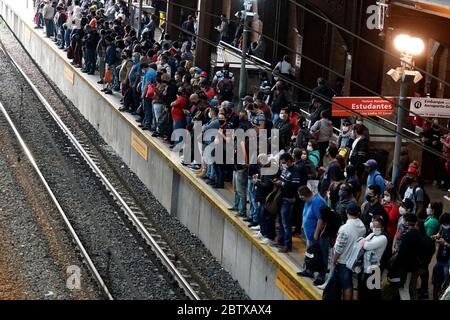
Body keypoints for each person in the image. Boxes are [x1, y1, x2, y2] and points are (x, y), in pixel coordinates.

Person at [331, 203, 366, 300]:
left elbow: (339, 248)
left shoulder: (344, 228)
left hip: (344, 260)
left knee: (346, 284)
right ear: (358, 213)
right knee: (348, 282)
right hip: (354, 260)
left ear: (346, 212)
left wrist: (334, 261)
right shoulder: (362, 226)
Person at [298, 186, 328, 285]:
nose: (299, 197)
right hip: (309, 236)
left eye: (299, 195)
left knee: (321, 255)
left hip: (318, 236)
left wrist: (316, 233)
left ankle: (321, 276)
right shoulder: (308, 201)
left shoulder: (318, 202)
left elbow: (321, 219)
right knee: (310, 254)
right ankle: (309, 270)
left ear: (303, 195)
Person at [273, 153, 300, 253]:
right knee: (281, 221)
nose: (283, 164)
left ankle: (287, 245)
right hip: (281, 198)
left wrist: (282, 184)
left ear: (289, 161)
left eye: (284, 162)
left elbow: (295, 185)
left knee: (286, 223)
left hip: (288, 200)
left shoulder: (295, 171)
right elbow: (282, 178)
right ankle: (280, 241)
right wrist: (278, 181)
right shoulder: (285, 169)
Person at [357, 215, 388, 300]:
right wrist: (363, 241)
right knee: (365, 291)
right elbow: (360, 240)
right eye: (374, 226)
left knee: (373, 293)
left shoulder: (383, 238)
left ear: (383, 227)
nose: (375, 228)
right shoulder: (372, 234)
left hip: (374, 270)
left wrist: (363, 241)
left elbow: (366, 245)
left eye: (377, 227)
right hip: (366, 267)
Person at [431, 213, 450, 299]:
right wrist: (435, 236)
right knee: (436, 282)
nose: (443, 226)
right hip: (440, 259)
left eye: (445, 224)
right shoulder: (442, 227)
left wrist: (445, 243)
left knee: (446, 284)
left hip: (448, 262)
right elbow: (439, 234)